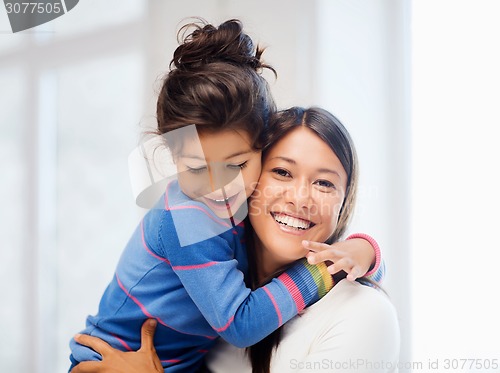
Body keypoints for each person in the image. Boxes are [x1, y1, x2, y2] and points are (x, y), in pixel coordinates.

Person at [69, 20, 384, 373]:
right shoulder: (187, 216)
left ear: (263, 148)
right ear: (172, 158)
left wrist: (363, 251)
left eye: (236, 166)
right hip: (110, 364)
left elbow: (353, 265)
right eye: (196, 168)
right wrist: (326, 270)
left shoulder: (246, 208)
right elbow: (242, 324)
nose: (219, 186)